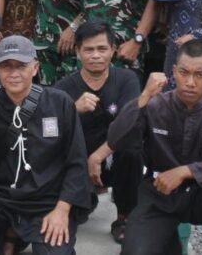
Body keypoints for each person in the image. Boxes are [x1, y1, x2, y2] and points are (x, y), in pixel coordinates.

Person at [0, 36, 91, 254]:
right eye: (6, 66)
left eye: (21, 66)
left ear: (35, 68)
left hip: (48, 200)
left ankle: (23, 234)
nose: (14, 73)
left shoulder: (60, 102)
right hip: (5, 198)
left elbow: (77, 161)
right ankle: (10, 236)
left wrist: (63, 209)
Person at [108, 41, 202, 255]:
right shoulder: (155, 105)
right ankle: (167, 243)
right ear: (173, 72)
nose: (190, 82)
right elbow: (116, 141)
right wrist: (143, 97)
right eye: (184, 73)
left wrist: (186, 171)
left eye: (199, 75)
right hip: (159, 193)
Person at [53, 21, 142, 244]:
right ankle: (83, 198)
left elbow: (129, 122)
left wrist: (98, 156)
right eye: (89, 49)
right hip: (77, 160)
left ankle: (124, 217)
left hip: (114, 157)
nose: (95, 55)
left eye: (102, 49)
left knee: (132, 149)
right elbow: (48, 128)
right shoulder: (63, 87)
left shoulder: (127, 79)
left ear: (113, 50)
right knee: (78, 213)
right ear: (78, 51)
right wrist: (73, 109)